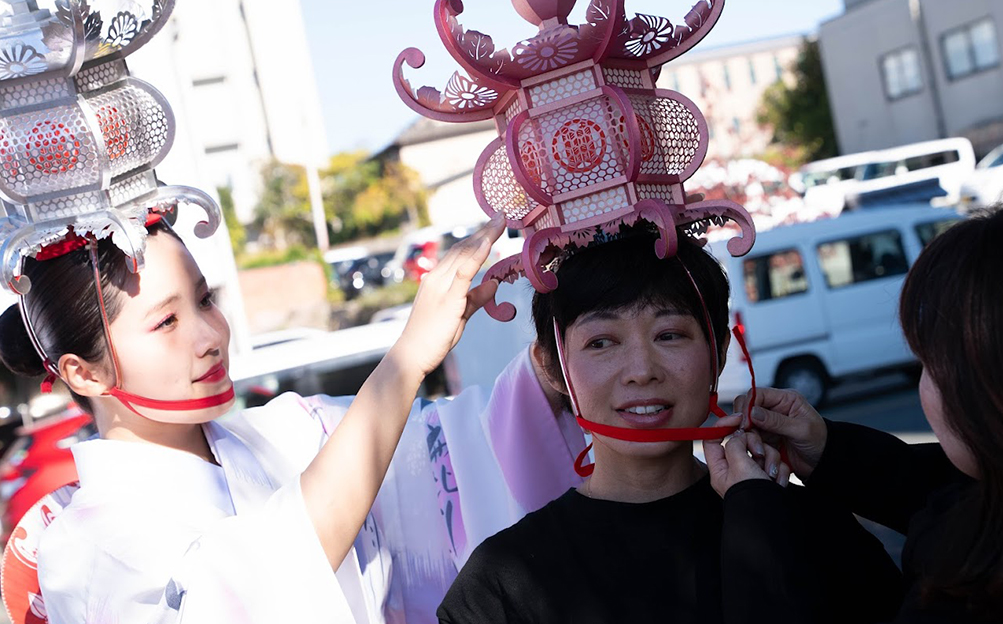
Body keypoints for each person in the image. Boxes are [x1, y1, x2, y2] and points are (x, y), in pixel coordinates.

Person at [0, 212, 576, 623]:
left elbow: (457, 444)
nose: (210, 336)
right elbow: (258, 586)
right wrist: (405, 360)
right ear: (83, 373)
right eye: (166, 322)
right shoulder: (87, 548)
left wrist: (565, 367)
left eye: (204, 300)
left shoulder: (287, 432)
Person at [437, 227, 903, 624]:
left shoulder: (811, 528)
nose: (642, 371)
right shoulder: (500, 585)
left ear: (720, 351)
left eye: (670, 334)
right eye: (601, 342)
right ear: (553, 369)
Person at [734, 200, 1003, 623]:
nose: (643, 373)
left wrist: (757, 523)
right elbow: (933, 486)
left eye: (927, 364)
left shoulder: (975, 591)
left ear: (988, 383)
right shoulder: (992, 499)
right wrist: (828, 451)